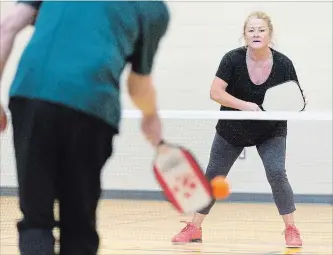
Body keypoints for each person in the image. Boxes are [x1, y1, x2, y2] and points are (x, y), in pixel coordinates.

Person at [0, 1, 169, 254]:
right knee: (79, 224)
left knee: (36, 220)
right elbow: (139, 85)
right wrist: (150, 116)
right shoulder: (153, 9)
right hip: (92, 107)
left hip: (33, 94)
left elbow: (7, 25)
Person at [171, 11, 303, 248]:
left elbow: (294, 98)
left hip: (270, 131)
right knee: (213, 175)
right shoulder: (231, 59)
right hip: (232, 128)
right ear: (244, 35)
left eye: (261, 30)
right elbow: (215, 92)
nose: (256, 34)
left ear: (269, 35)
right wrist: (245, 107)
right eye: (251, 30)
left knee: (276, 172)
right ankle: (194, 228)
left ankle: (291, 229)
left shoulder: (284, 64)